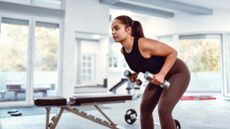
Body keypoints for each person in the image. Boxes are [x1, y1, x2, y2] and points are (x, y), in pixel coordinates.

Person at [111, 15, 190, 129]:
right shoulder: (123, 50)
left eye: (117, 28)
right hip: (157, 77)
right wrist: (135, 74)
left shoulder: (143, 43)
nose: (113, 32)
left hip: (177, 72)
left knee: (164, 110)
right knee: (145, 109)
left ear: (128, 30)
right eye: (112, 29)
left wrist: (162, 74)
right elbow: (140, 62)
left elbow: (172, 53)